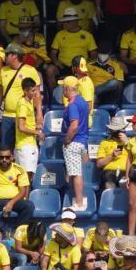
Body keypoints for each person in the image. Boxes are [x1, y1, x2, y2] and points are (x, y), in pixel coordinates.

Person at [61, 76, 91, 211]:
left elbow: (74, 125)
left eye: (63, 87)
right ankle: (79, 200)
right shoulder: (82, 100)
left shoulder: (72, 104)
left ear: (67, 89)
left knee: (75, 173)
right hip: (83, 141)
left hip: (74, 142)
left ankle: (79, 203)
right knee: (77, 171)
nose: (62, 90)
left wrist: (67, 140)